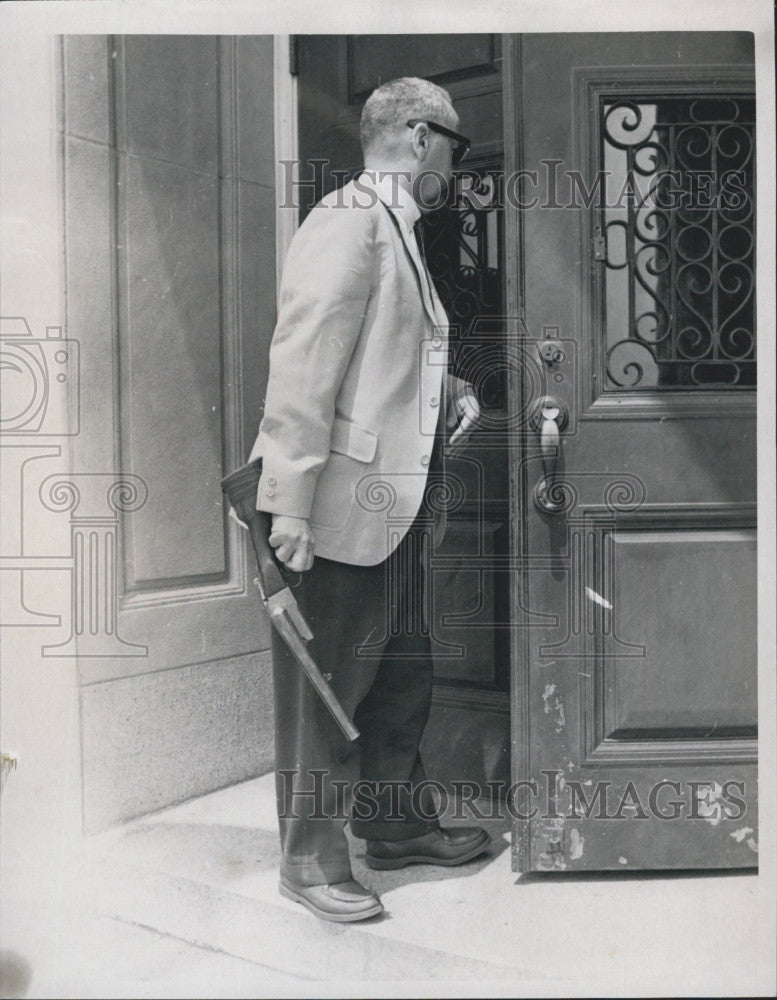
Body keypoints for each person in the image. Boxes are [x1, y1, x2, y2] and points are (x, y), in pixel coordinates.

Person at [246, 77, 489, 923]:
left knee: (399, 671)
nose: (454, 171)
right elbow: (303, 367)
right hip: (337, 507)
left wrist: (446, 384)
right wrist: (289, 507)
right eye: (453, 151)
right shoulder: (348, 220)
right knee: (328, 681)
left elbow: (370, 358)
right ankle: (307, 860)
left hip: (391, 505)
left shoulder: (394, 229)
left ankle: (393, 825)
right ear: (421, 139)